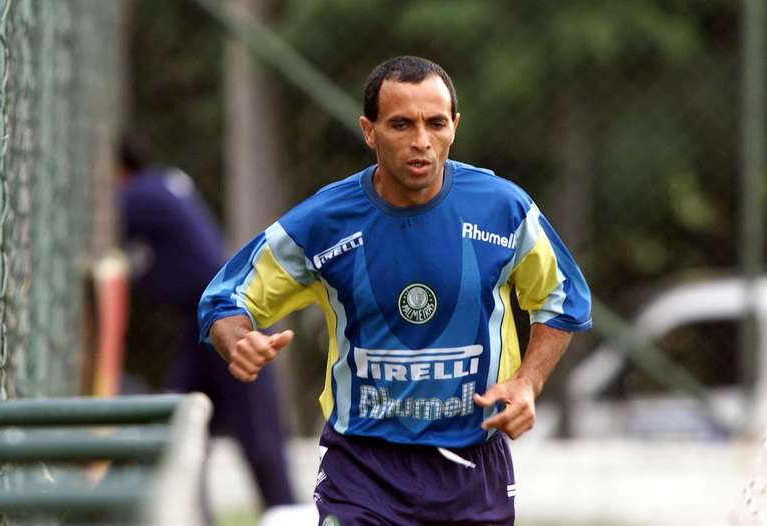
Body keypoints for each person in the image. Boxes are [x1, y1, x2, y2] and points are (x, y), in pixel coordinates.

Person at [198, 56, 592, 525]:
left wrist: (528, 381)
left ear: (455, 127)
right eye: (401, 124)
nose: (421, 141)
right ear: (370, 131)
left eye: (436, 123)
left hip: (473, 466)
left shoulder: (503, 211)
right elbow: (225, 298)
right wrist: (238, 339)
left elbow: (562, 298)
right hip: (362, 468)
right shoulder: (324, 223)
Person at [115, 138, 296, 509]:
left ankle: (286, 513)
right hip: (204, 327)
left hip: (227, 323)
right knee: (180, 429)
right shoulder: (161, 185)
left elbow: (97, 224)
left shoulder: (139, 194)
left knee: (258, 441)